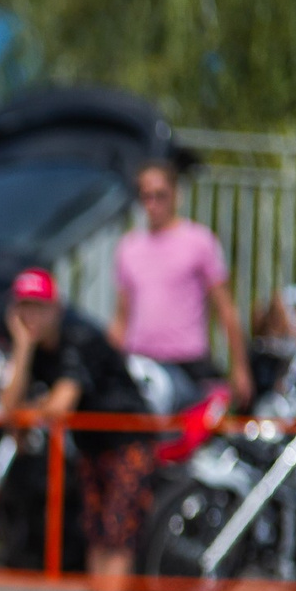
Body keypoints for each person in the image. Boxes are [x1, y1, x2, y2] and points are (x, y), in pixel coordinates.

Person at [0, 268, 145, 591]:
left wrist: (28, 413)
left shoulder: (79, 340)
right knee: (97, 534)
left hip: (128, 440)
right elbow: (8, 410)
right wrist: (23, 348)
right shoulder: (36, 350)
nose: (32, 316)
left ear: (55, 309)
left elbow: (59, 405)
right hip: (92, 447)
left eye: (39, 308)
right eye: (24, 308)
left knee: (116, 532)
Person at [111, 160, 253, 410]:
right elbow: (122, 317)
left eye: (160, 196)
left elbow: (225, 309)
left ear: (176, 194)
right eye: (146, 197)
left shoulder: (199, 241)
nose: (152, 205)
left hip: (187, 364)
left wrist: (239, 367)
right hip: (141, 362)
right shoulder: (129, 248)